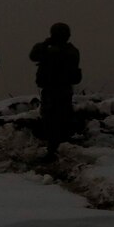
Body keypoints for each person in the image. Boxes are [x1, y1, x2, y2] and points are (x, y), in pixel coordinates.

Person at [29, 22, 81, 159]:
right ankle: (62, 148)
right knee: (62, 117)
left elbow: (33, 55)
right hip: (64, 90)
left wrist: (46, 44)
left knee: (51, 120)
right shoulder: (71, 50)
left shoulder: (52, 50)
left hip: (53, 90)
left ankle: (54, 150)